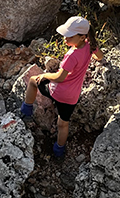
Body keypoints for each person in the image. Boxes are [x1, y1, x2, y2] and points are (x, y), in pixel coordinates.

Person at [20, 15, 104, 157]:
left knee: (34, 81)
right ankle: (59, 150)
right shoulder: (90, 46)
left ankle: (25, 111)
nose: (65, 39)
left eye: (69, 36)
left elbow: (59, 77)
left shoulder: (71, 55)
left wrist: (45, 75)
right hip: (72, 97)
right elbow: (100, 56)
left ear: (82, 36)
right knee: (63, 124)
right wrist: (93, 53)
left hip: (58, 91)